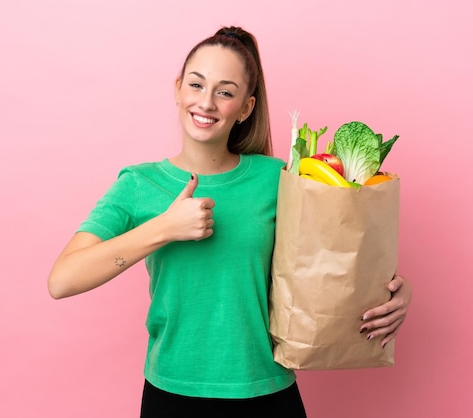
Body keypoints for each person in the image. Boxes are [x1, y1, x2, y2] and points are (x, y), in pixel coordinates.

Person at [47, 26, 412, 418]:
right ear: (177, 89)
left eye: (224, 91)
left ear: (245, 108)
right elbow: (62, 280)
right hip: (172, 393)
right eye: (196, 84)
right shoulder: (139, 184)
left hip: (268, 391)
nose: (206, 102)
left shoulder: (282, 179)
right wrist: (164, 228)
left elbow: (333, 264)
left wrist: (395, 294)